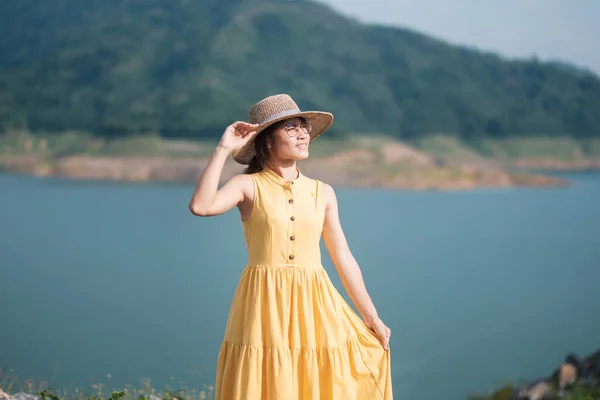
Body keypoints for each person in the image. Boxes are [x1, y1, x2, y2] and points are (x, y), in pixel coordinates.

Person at [189, 94, 393, 399]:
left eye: (304, 127)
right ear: (268, 141)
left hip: (316, 302)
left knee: (318, 377)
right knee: (267, 379)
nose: (303, 134)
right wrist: (223, 150)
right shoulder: (248, 185)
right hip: (263, 302)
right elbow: (202, 206)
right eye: (291, 128)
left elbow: (343, 257)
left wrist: (371, 315)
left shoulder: (322, 192)